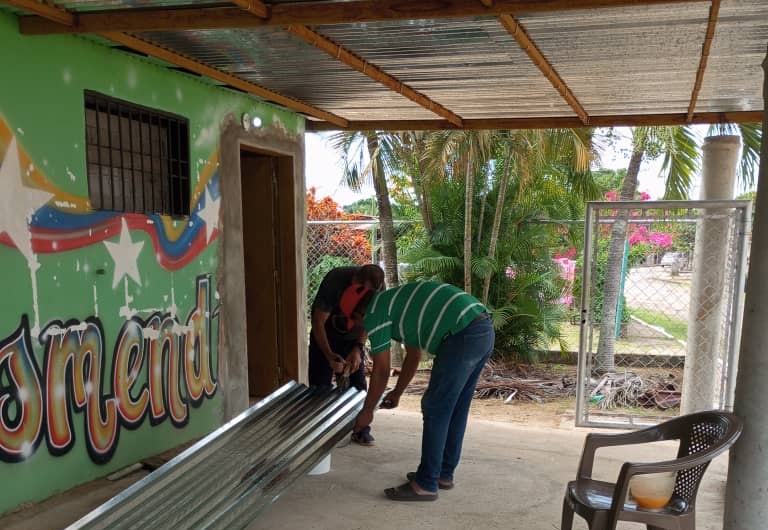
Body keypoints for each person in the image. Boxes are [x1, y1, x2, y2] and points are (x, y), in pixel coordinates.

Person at [350, 280, 494, 501]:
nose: (362, 328)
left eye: (357, 323)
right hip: (481, 329)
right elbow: (414, 355)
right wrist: (397, 392)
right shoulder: (396, 304)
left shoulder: (374, 311)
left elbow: (381, 370)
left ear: (359, 312)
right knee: (456, 408)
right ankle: (443, 474)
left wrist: (367, 411)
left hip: (462, 334)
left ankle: (426, 484)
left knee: (435, 407)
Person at [308, 264, 384, 446]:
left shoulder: (379, 289)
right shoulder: (335, 280)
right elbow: (318, 321)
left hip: (353, 339)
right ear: (355, 280)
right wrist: (329, 355)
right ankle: (320, 434)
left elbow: (370, 321)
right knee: (320, 387)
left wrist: (358, 348)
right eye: (362, 289)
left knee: (358, 386)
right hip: (326, 335)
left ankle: (360, 430)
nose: (365, 295)